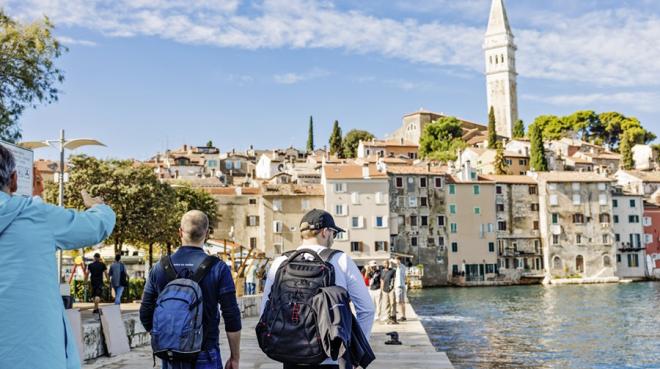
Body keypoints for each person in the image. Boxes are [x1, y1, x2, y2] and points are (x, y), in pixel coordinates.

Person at [0, 145, 116, 369]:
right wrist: (99, 207)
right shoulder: (34, 215)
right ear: (14, 180)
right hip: (35, 357)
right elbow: (96, 226)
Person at [261, 209, 374, 369]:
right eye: (334, 233)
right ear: (325, 231)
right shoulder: (341, 260)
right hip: (330, 358)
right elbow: (367, 310)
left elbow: (265, 308)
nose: (333, 239)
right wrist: (354, 352)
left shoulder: (281, 262)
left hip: (290, 354)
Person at [140, 210, 241, 369]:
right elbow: (232, 316)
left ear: (179, 232)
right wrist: (235, 357)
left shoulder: (159, 268)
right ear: (207, 234)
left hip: (171, 354)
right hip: (205, 351)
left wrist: (167, 335)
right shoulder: (218, 268)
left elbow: (145, 312)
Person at [380, 260, 397, 324]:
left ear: (388, 264)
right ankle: (388, 318)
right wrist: (381, 290)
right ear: (383, 264)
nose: (386, 264)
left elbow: (395, 279)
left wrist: (394, 288)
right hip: (384, 290)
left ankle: (393, 318)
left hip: (391, 289)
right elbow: (382, 280)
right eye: (384, 263)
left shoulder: (392, 271)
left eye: (386, 263)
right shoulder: (382, 271)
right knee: (386, 304)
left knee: (392, 303)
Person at [394, 256, 408, 322]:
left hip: (400, 286)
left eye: (396, 260)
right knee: (401, 302)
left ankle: (403, 316)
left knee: (400, 302)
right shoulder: (401, 267)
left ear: (398, 260)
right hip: (400, 286)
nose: (395, 261)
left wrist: (391, 260)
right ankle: (403, 316)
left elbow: (397, 263)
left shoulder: (400, 266)